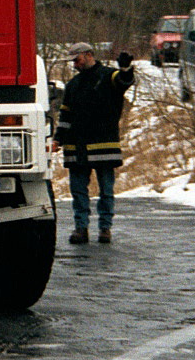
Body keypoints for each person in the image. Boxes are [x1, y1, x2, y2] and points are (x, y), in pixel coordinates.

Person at [54, 42, 135, 244]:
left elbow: (124, 81)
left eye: (77, 60)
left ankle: (105, 229)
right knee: (78, 192)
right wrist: (58, 139)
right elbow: (65, 116)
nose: (75, 65)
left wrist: (125, 68)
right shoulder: (72, 85)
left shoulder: (109, 76)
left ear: (89, 55)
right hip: (76, 147)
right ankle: (81, 228)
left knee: (106, 191)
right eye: (73, 62)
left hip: (104, 145)